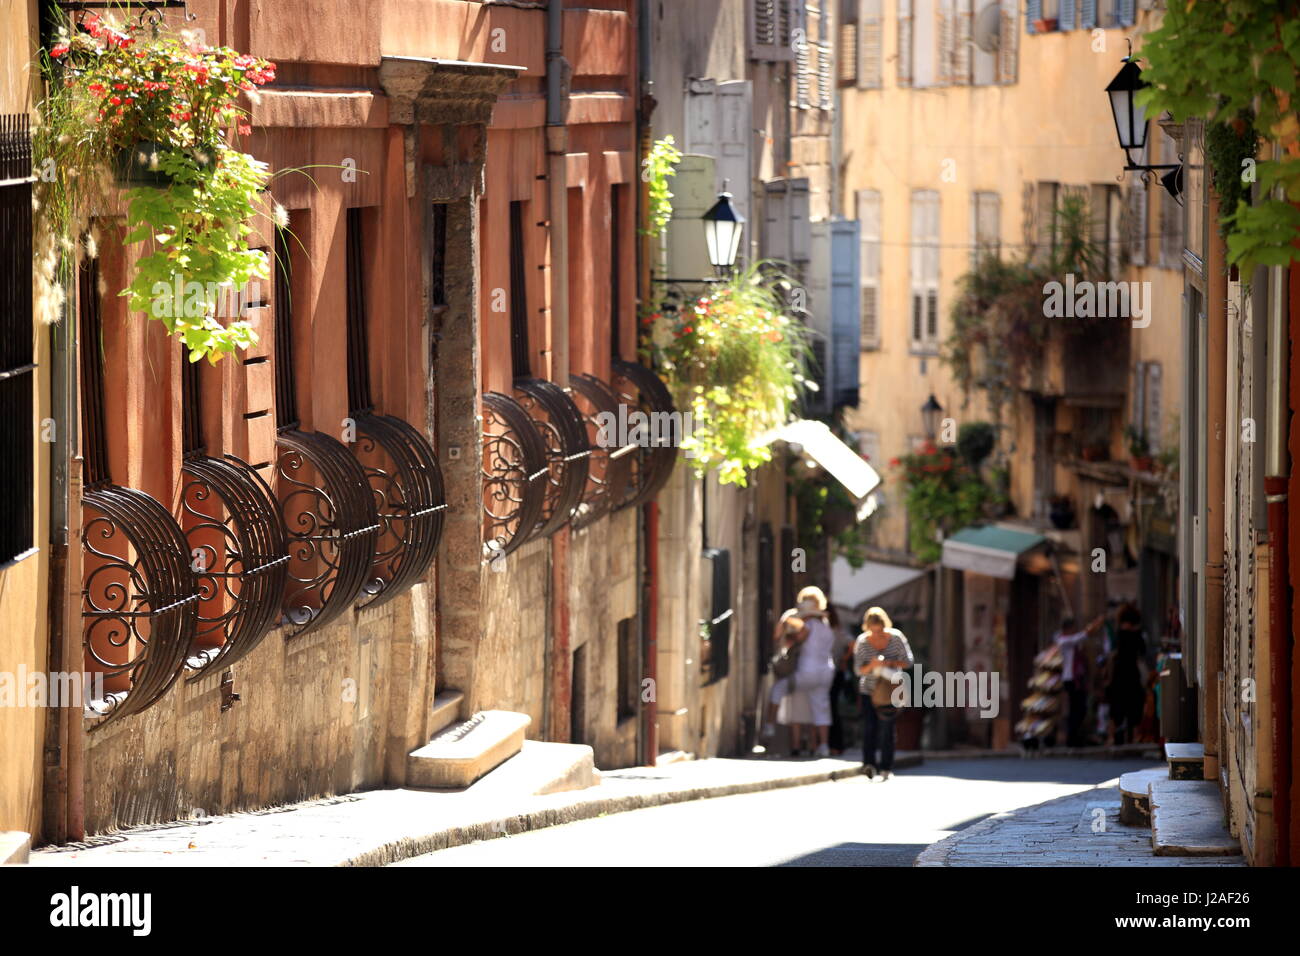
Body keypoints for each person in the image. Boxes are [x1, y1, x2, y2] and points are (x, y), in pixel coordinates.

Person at [776, 586, 837, 757]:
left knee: (785, 695)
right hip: (826, 671)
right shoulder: (827, 628)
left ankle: (772, 730)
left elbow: (788, 642)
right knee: (821, 707)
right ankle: (822, 745)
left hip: (805, 670)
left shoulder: (805, 626)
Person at [854, 606, 913, 780]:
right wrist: (872, 666)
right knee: (869, 728)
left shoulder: (896, 638)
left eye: (879, 631)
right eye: (873, 631)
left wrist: (888, 662)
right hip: (869, 689)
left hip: (890, 688)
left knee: (888, 728)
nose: (876, 635)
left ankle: (886, 767)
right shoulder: (863, 642)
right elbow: (858, 670)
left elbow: (908, 662)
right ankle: (869, 765)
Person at [1053, 613, 1104, 747]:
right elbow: (1080, 637)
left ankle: (1076, 735)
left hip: (1077, 678)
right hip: (1070, 678)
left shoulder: (1070, 642)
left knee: (1080, 708)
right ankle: (1072, 738)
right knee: (1075, 708)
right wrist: (1094, 626)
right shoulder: (1063, 641)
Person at [1106, 603, 1147, 745]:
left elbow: (1111, 652)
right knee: (1134, 705)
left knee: (1116, 705)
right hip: (1132, 673)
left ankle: (1112, 737)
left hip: (1118, 673)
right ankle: (1135, 737)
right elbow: (1143, 652)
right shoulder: (1137, 635)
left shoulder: (1118, 635)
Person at [762, 610, 805, 740]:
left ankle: (771, 726)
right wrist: (783, 621)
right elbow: (777, 636)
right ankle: (771, 726)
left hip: (799, 674)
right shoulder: (785, 639)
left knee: (781, 695)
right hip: (789, 674)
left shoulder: (801, 637)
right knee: (779, 695)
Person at [826, 605, 853, 755]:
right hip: (834, 672)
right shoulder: (837, 631)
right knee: (831, 708)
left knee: (831, 709)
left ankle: (835, 744)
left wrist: (844, 659)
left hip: (835, 673)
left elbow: (853, 644)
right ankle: (833, 744)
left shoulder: (835, 631)